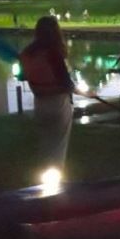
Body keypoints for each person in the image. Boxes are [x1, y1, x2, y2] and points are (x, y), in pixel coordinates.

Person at [20, 16, 75, 170]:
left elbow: (25, 77)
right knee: (58, 146)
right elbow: (65, 83)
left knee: (45, 143)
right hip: (58, 103)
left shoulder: (27, 53)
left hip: (39, 102)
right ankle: (55, 183)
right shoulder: (53, 53)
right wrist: (72, 87)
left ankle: (42, 175)